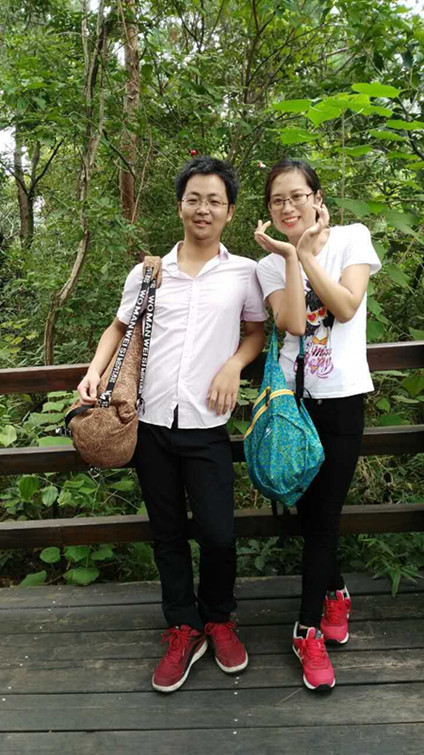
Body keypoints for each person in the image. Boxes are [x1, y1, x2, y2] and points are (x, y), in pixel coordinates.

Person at [78, 156, 266, 693]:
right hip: (151, 423)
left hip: (207, 425)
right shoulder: (148, 272)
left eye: (214, 201)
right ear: (181, 204)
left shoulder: (244, 272)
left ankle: (219, 617)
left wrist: (234, 365)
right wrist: (94, 372)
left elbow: (256, 332)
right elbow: (118, 329)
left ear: (229, 211)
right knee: (167, 535)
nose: (203, 209)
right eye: (194, 198)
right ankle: (184, 627)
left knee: (219, 535)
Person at [255, 157, 381, 692]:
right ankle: (336, 592)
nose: (288, 207)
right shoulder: (267, 263)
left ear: (317, 197)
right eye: (277, 200)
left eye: (297, 196)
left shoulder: (352, 238)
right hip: (294, 405)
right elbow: (289, 322)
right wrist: (290, 256)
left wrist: (307, 255)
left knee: (325, 516)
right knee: (310, 517)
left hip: (343, 399)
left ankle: (306, 631)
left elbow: (346, 307)